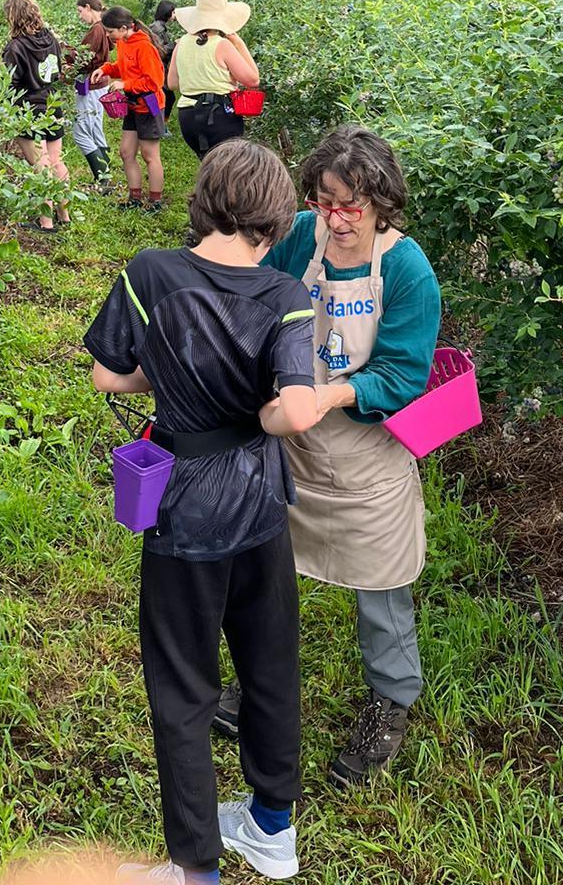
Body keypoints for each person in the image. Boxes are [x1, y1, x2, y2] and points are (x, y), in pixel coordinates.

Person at [85, 140, 321, 885]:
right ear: (277, 219)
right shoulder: (287, 296)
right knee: (270, 661)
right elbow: (291, 407)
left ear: (206, 195)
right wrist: (276, 412)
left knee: (184, 685)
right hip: (259, 501)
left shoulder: (151, 273)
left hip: (184, 505)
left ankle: (195, 869)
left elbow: (107, 375)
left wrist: (177, 373)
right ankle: (272, 827)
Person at [213, 126, 440, 788]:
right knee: (268, 570)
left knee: (380, 581)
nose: (336, 219)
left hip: (364, 453)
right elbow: (253, 297)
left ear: (381, 203)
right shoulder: (297, 241)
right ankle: (258, 682)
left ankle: (389, 702)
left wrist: (330, 395)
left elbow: (401, 375)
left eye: (351, 206)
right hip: (290, 440)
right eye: (324, 202)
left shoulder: (405, 270)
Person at [1, 0, 70, 231]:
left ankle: (46, 222)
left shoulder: (15, 47)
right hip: (52, 102)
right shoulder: (49, 38)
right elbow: (57, 69)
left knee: (40, 166)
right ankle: (64, 214)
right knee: (55, 160)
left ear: (12, 17)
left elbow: (9, 83)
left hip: (29, 109)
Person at [168, 0, 260, 160]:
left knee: (208, 165)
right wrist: (239, 44)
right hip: (218, 116)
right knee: (227, 171)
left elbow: (172, 83)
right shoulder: (222, 45)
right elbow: (253, 79)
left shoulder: (181, 43)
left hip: (188, 117)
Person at [91, 7, 167, 213]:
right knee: (126, 152)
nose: (108, 35)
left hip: (149, 105)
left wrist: (125, 84)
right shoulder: (124, 43)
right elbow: (122, 67)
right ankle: (134, 197)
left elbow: (154, 82)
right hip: (133, 105)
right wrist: (106, 69)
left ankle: (155, 201)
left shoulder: (144, 47)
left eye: (110, 31)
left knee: (150, 155)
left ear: (124, 28)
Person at [69, 0, 112, 188]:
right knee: (95, 128)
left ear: (88, 7)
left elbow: (82, 57)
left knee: (81, 132)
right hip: (100, 84)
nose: (80, 16)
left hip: (92, 84)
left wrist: (62, 49)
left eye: (80, 11)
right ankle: (105, 176)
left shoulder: (96, 30)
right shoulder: (103, 28)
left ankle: (102, 176)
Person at [148, 0, 179, 125]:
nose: (175, 15)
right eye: (174, 12)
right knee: (166, 97)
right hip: (158, 68)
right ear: (168, 12)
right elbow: (161, 51)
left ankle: (159, 123)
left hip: (159, 67)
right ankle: (159, 123)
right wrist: (175, 44)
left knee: (165, 97)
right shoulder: (158, 29)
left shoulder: (159, 27)